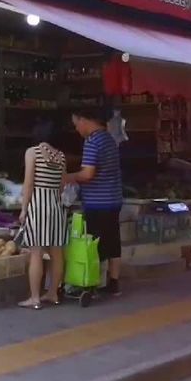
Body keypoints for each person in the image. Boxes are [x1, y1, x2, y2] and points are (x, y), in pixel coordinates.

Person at [65, 108, 123, 296]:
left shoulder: (92, 141)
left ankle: (90, 285)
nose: (76, 129)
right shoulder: (109, 139)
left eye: (76, 124)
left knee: (93, 245)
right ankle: (113, 283)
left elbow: (87, 174)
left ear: (84, 120)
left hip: (98, 202)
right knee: (112, 242)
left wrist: (66, 178)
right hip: (114, 199)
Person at [17, 128, 67, 309]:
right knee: (57, 253)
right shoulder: (61, 156)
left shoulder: (33, 152)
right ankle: (53, 293)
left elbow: (29, 183)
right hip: (56, 206)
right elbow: (62, 185)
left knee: (36, 252)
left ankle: (35, 298)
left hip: (38, 206)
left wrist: (24, 209)